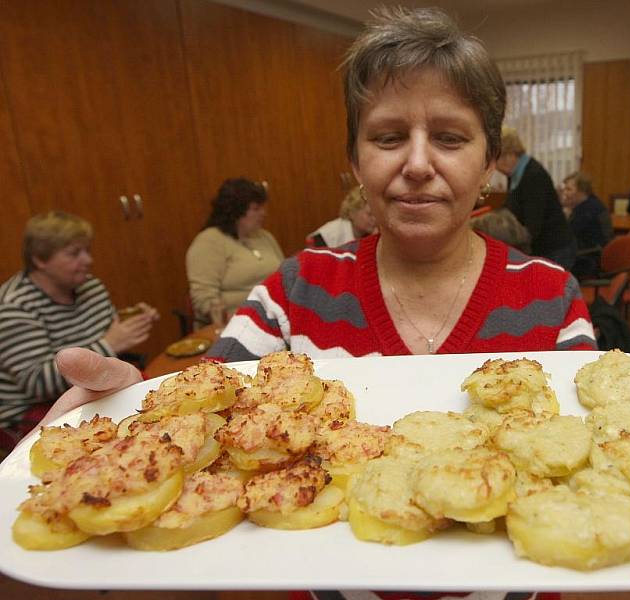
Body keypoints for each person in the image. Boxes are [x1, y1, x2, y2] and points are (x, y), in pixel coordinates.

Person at [24, 8, 595, 599]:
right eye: (388, 137)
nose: (418, 165)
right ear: (354, 161)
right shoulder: (291, 292)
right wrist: (127, 407)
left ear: (488, 165)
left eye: (450, 138)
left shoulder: (552, 296)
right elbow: (206, 416)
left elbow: (586, 457)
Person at [0, 211, 157, 442]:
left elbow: (106, 335)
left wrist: (130, 321)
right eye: (74, 253)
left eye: (87, 250)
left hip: (92, 387)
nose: (88, 260)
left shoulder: (90, 286)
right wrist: (111, 344)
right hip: (32, 410)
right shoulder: (13, 306)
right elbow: (37, 384)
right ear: (40, 260)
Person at [186, 178, 284, 326]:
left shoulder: (264, 236)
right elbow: (204, 298)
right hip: (239, 323)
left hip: (277, 316)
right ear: (236, 211)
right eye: (256, 209)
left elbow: (285, 275)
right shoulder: (209, 242)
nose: (263, 213)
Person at [495, 127, 577, 269]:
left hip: (554, 248)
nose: (495, 166)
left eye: (497, 159)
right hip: (544, 246)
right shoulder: (515, 174)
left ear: (509, 154)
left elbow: (533, 226)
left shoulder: (533, 175)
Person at [561, 171, 613, 278]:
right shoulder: (589, 204)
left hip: (590, 261)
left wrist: (565, 216)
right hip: (586, 255)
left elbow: (566, 235)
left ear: (582, 191)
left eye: (569, 189)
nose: (565, 193)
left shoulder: (588, 210)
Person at [306, 185, 377, 247]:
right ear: (352, 213)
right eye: (370, 214)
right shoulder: (325, 236)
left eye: (375, 214)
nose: (374, 219)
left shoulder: (369, 233)